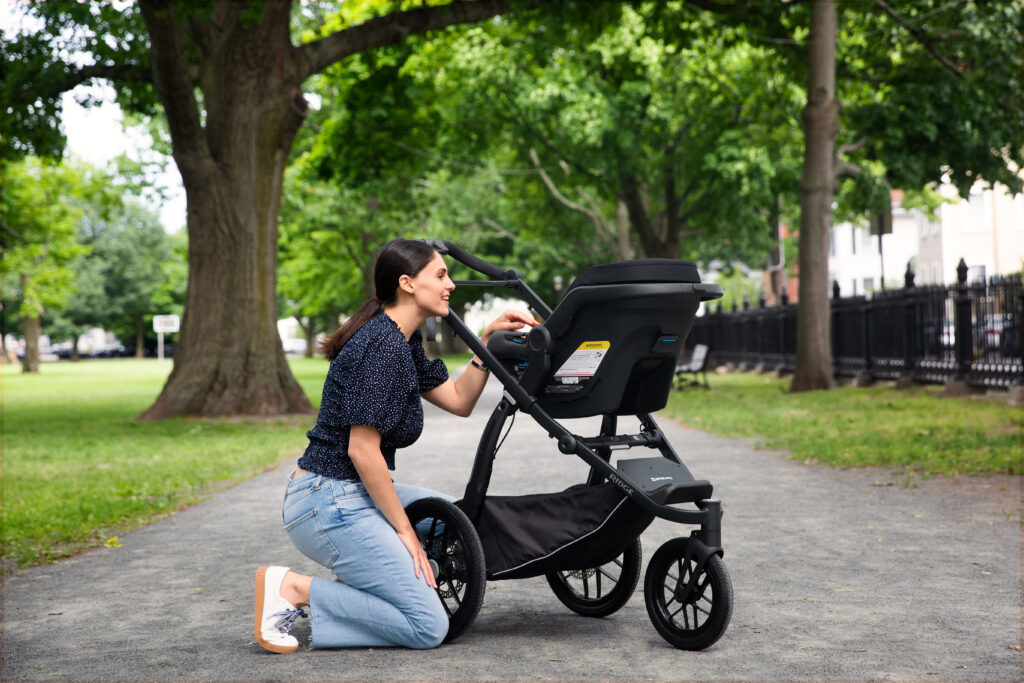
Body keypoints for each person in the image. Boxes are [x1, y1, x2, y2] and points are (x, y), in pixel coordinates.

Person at [254, 238, 535, 653]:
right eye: (441, 275)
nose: (451, 284)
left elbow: (459, 400)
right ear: (407, 283)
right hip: (325, 502)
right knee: (427, 626)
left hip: (349, 494)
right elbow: (361, 451)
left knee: (461, 522)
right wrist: (404, 531)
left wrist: (487, 341)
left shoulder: (403, 340)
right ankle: (293, 588)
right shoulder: (381, 347)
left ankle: (368, 588)